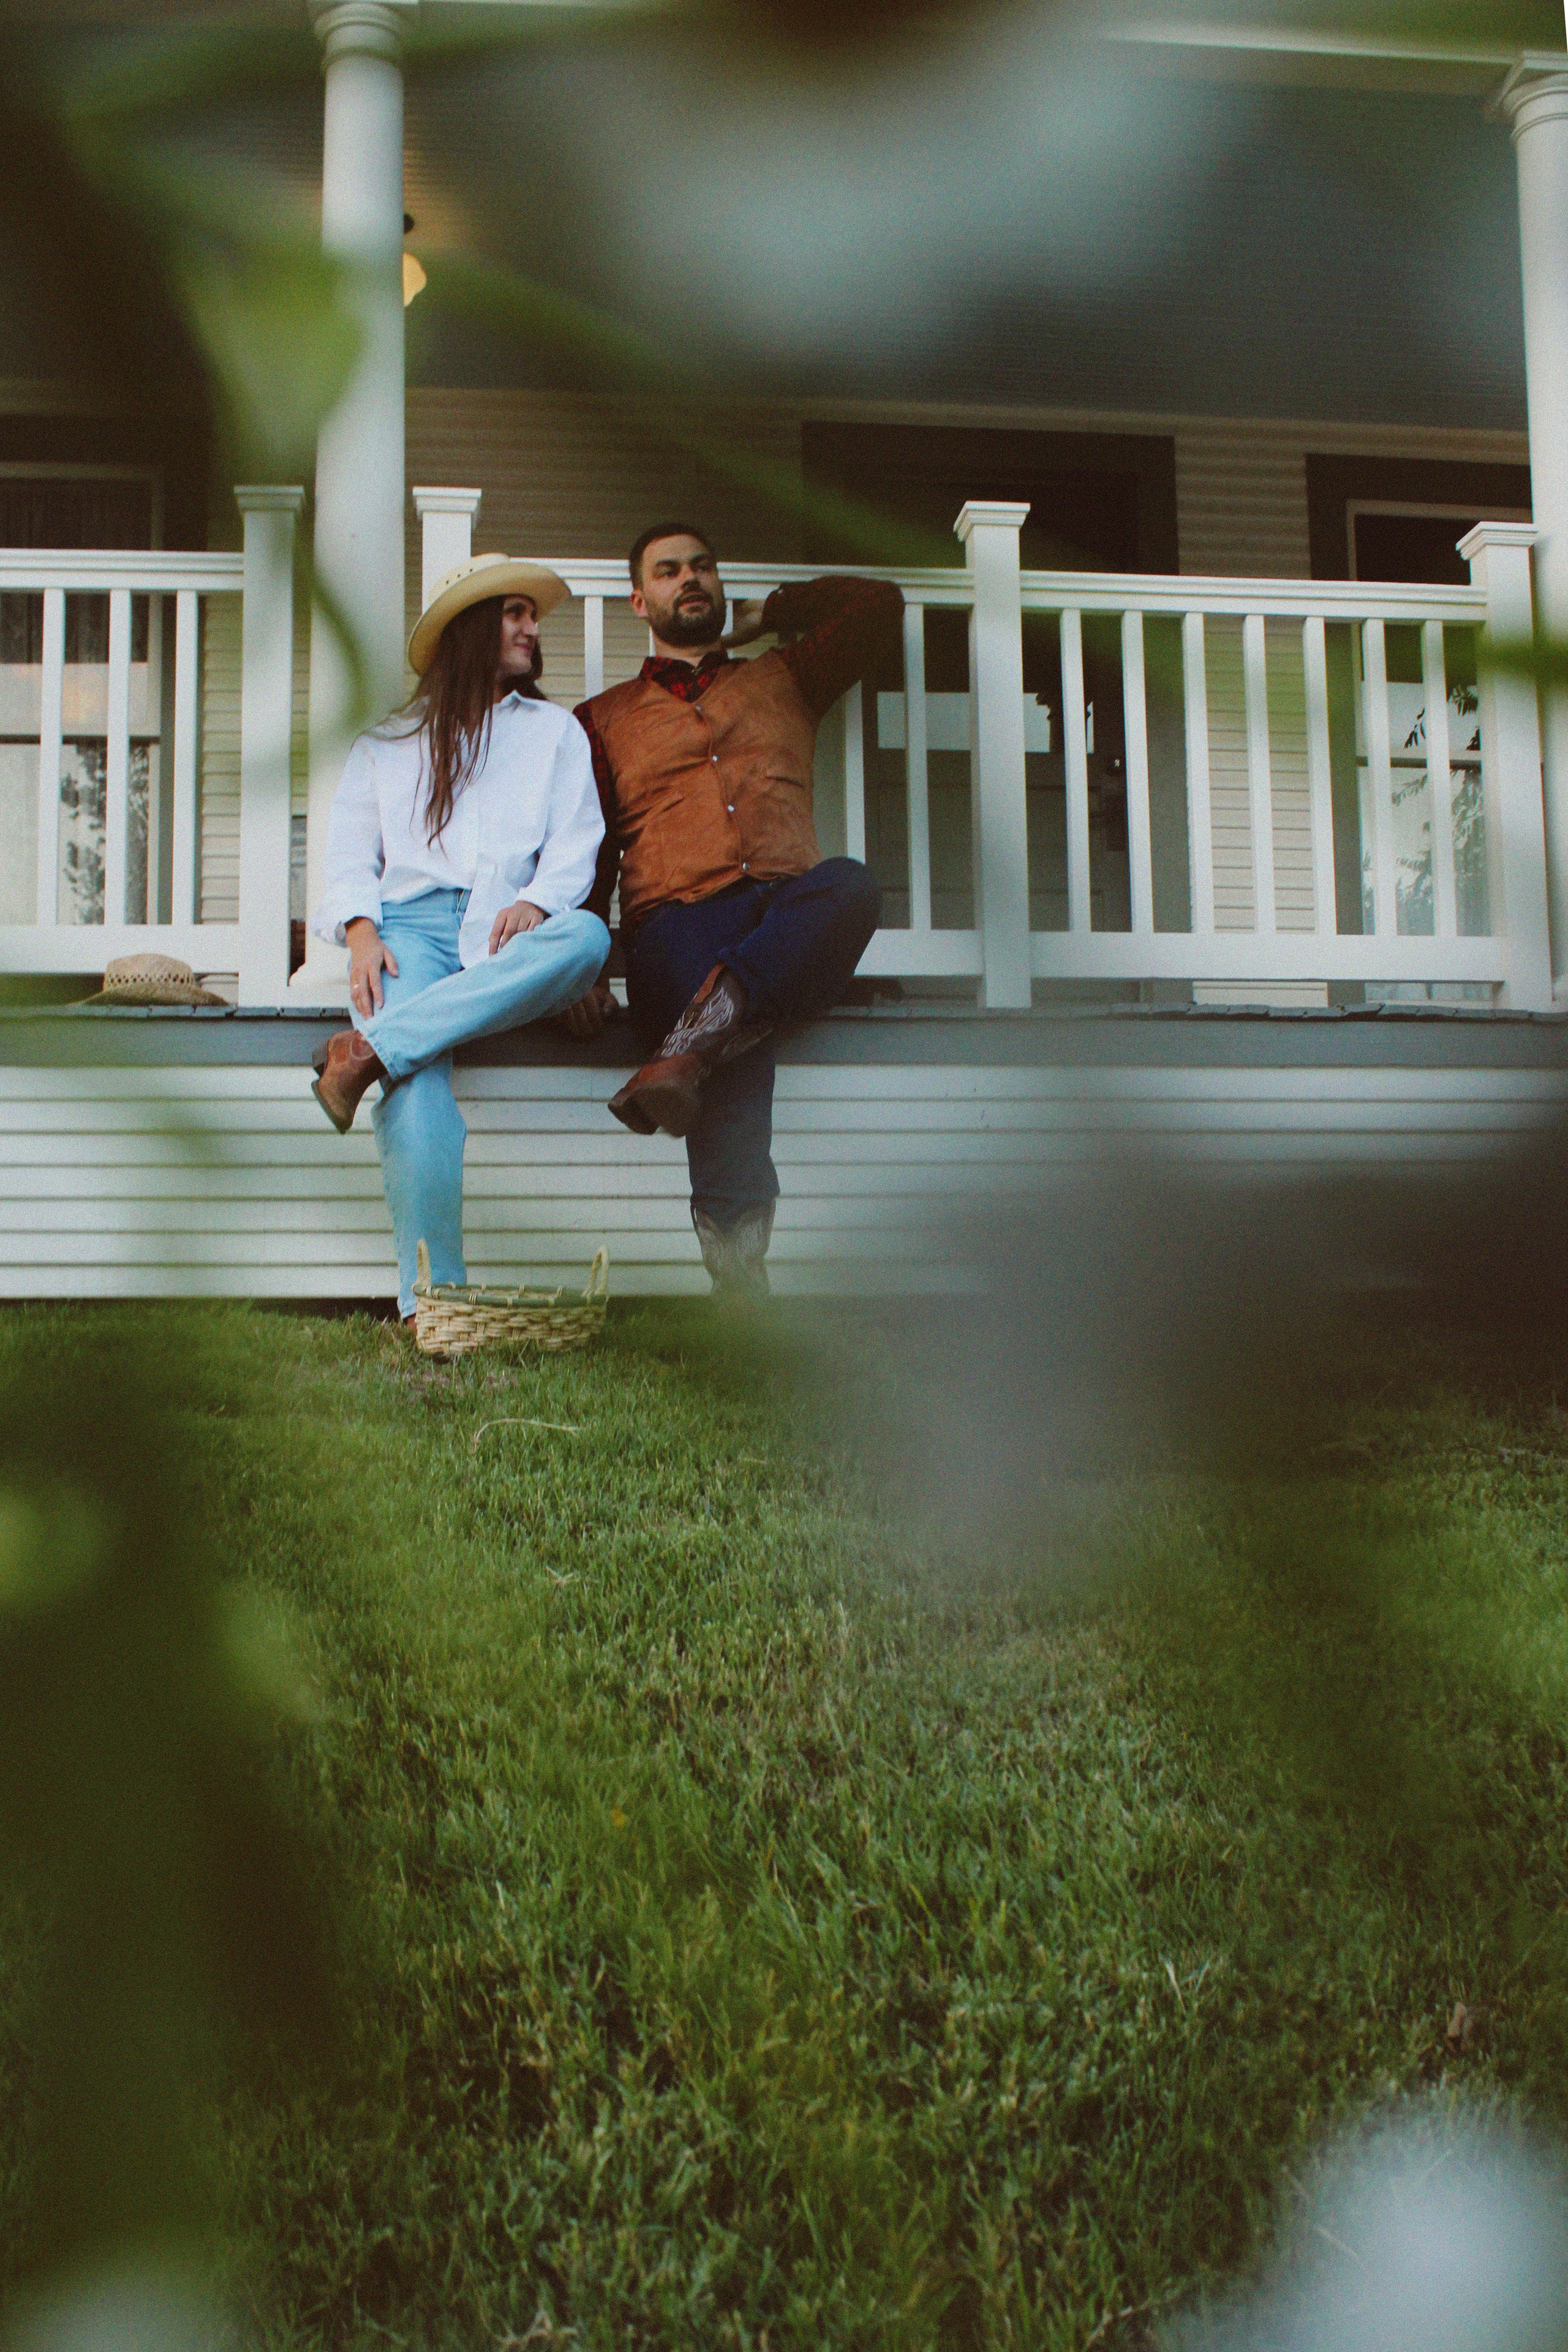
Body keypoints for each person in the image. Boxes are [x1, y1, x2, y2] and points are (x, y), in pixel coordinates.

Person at [565, 524, 902, 1298]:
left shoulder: (789, 673)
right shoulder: (601, 719)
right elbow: (592, 851)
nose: (689, 580)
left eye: (703, 567)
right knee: (726, 1011)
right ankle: (738, 1263)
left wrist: (764, 613)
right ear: (638, 600)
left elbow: (879, 605)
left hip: (789, 906)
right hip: (673, 924)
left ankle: (684, 1055)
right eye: (668, 571)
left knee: (851, 885)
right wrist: (583, 966)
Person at [309, 552, 609, 1322]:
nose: (531, 628)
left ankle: (367, 1052)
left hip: (509, 934)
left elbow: (578, 843)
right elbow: (349, 853)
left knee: (585, 941)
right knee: (418, 1091)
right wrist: (363, 935)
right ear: (470, 629)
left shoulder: (555, 733)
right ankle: (433, 1304)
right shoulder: (387, 743)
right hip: (407, 933)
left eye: (530, 615)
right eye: (514, 613)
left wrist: (540, 904)